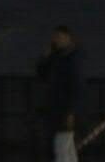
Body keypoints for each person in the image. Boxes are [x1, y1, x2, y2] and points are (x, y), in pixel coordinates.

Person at [37, 26, 84, 162]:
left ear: (68, 38)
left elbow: (77, 87)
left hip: (65, 109)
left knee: (61, 147)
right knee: (67, 148)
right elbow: (42, 75)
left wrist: (71, 111)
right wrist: (44, 58)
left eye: (59, 37)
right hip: (58, 108)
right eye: (55, 37)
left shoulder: (73, 60)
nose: (56, 40)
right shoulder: (58, 57)